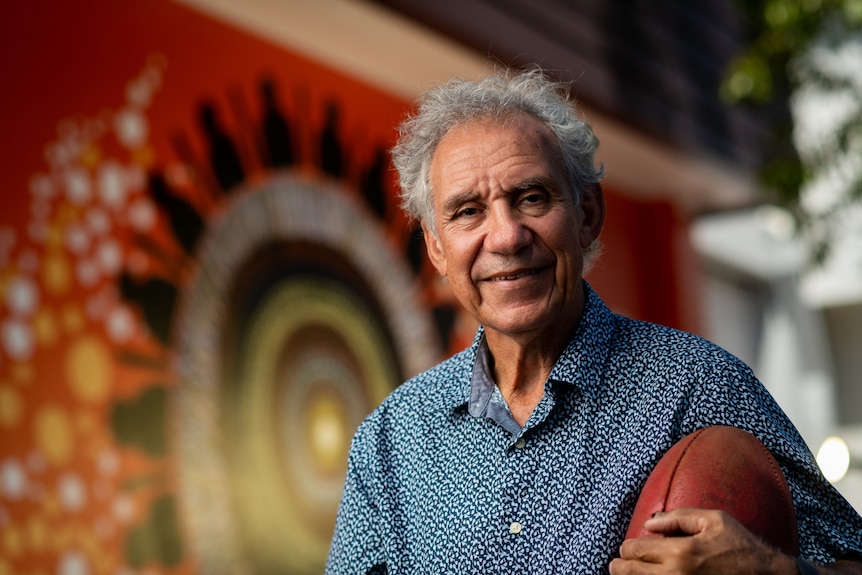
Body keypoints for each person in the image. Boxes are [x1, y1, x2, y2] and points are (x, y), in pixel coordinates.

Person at [325, 67, 862, 574]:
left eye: (532, 198)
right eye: (468, 211)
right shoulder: (390, 440)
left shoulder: (700, 385)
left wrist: (771, 570)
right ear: (437, 249)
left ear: (587, 215)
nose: (507, 236)